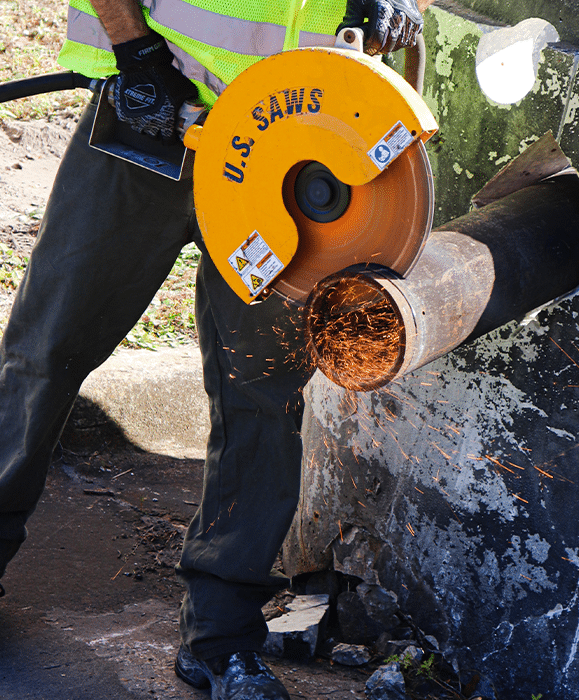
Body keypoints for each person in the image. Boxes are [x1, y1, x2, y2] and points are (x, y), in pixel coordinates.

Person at [0, 0, 428, 698]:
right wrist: (135, 53)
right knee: (43, 352)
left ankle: (223, 638)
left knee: (261, 394)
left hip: (296, 148)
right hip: (157, 112)